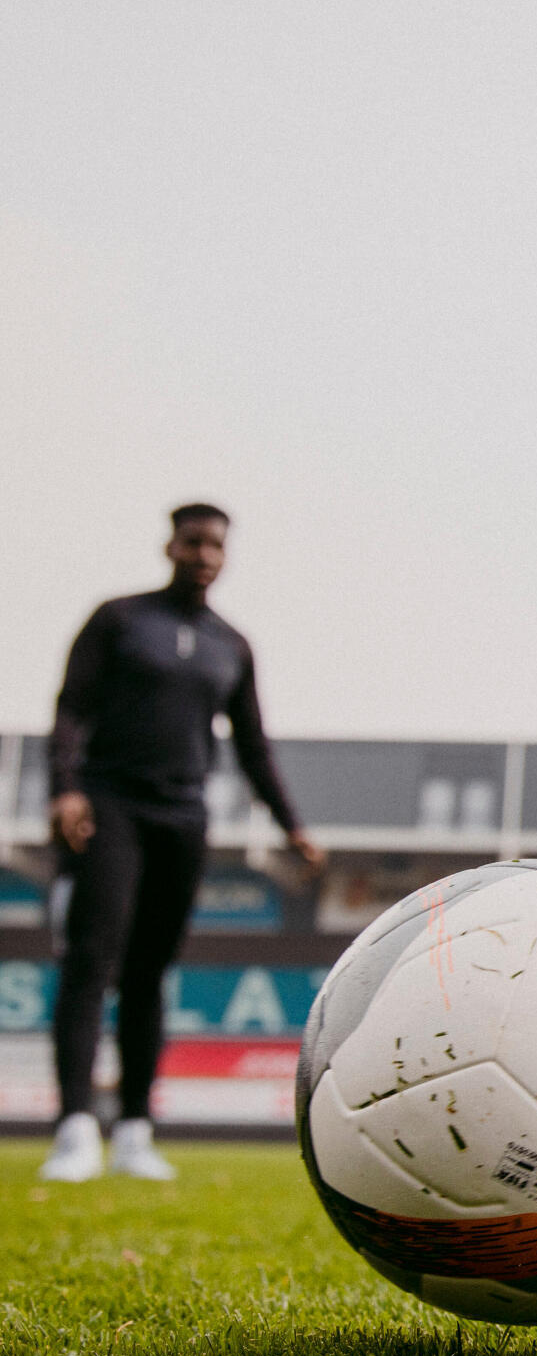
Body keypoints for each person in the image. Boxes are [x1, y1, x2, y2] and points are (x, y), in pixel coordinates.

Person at [38, 505, 322, 1183]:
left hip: (183, 818)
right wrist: (65, 788)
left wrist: (293, 827)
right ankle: (75, 1127)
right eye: (193, 541)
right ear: (171, 544)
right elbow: (70, 708)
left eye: (215, 545)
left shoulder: (232, 644)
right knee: (91, 961)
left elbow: (252, 746)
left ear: (225, 556)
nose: (203, 554)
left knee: (149, 974)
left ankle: (135, 1129)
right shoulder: (120, 620)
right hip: (110, 805)